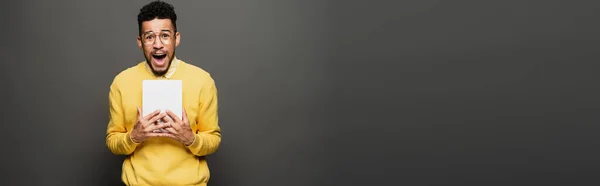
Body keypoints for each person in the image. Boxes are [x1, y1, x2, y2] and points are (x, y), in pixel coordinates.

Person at [105, 1, 221, 185]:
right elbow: (113, 141)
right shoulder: (121, 82)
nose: (158, 44)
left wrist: (191, 139)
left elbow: (213, 139)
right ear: (140, 42)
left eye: (165, 36)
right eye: (149, 37)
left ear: (176, 39)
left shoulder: (202, 81)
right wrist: (133, 137)